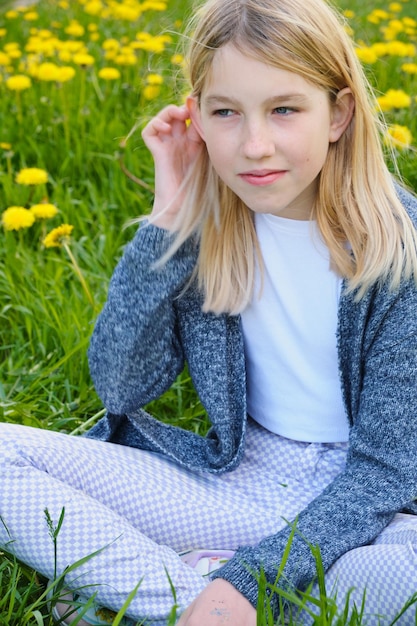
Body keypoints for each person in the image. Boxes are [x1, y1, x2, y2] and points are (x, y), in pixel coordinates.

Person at [1, 0, 417, 624]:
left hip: (370, 508)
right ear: (197, 119)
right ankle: (208, 596)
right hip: (241, 480)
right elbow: (121, 384)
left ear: (338, 113)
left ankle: (163, 590)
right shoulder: (208, 233)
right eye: (227, 113)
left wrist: (251, 579)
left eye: (284, 109)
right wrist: (166, 225)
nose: (254, 145)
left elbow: (383, 474)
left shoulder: (401, 245)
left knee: (397, 583)